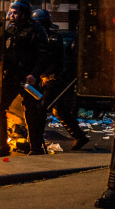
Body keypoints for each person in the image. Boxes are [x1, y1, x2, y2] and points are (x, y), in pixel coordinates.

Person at [0, 0, 49, 157]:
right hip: (12, 76)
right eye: (11, 12)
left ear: (24, 14)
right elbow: (1, 51)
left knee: (32, 111)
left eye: (15, 13)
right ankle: (2, 146)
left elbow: (43, 56)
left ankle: (36, 148)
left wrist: (35, 74)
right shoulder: (10, 30)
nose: (12, 15)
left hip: (29, 78)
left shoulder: (37, 30)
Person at [31, 9, 89, 150]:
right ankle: (80, 137)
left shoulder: (53, 39)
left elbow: (48, 59)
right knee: (60, 110)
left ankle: (35, 143)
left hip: (53, 79)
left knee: (41, 109)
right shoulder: (41, 37)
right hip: (45, 79)